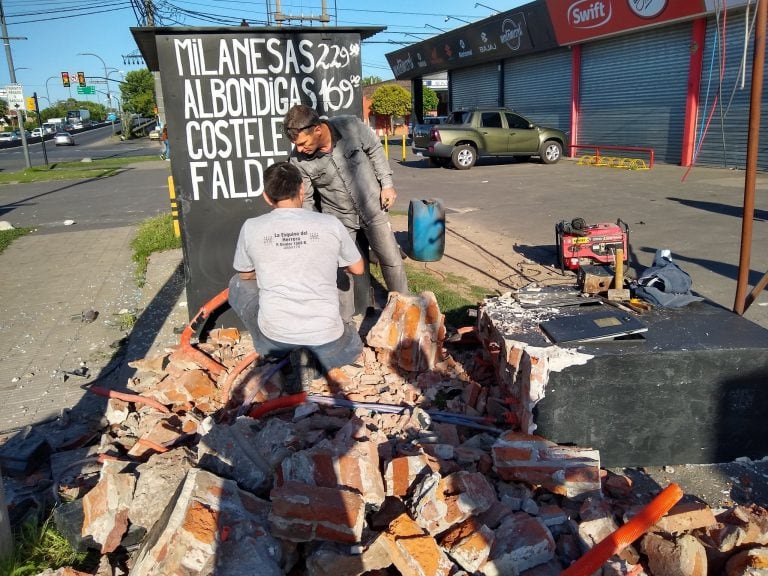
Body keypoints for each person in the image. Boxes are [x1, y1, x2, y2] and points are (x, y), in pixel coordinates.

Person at [228, 161, 364, 389]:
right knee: (352, 343)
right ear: (302, 190)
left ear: (266, 197)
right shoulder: (330, 223)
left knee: (236, 284)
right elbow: (357, 269)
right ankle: (316, 360)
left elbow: (245, 274)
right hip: (328, 342)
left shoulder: (251, 227)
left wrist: (269, 272)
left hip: (276, 338)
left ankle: (271, 350)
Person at [282, 105, 408, 323]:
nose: (300, 149)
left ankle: (406, 314)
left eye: (303, 143)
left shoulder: (351, 126)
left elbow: (375, 149)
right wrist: (318, 232)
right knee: (342, 272)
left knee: (392, 261)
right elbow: (307, 201)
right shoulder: (298, 161)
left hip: (373, 207)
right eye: (296, 145)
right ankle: (344, 326)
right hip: (339, 221)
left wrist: (387, 184)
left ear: (317, 130)